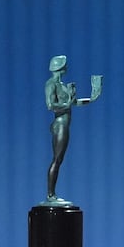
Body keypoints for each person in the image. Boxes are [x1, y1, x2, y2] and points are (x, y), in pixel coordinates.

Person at [44, 55, 102, 202]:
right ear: (59, 68)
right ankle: (50, 194)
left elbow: (75, 102)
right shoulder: (51, 84)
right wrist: (68, 103)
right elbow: (51, 105)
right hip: (60, 124)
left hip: (65, 123)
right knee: (57, 159)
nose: (67, 68)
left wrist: (92, 98)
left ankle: (52, 193)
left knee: (59, 159)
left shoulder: (62, 86)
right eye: (65, 65)